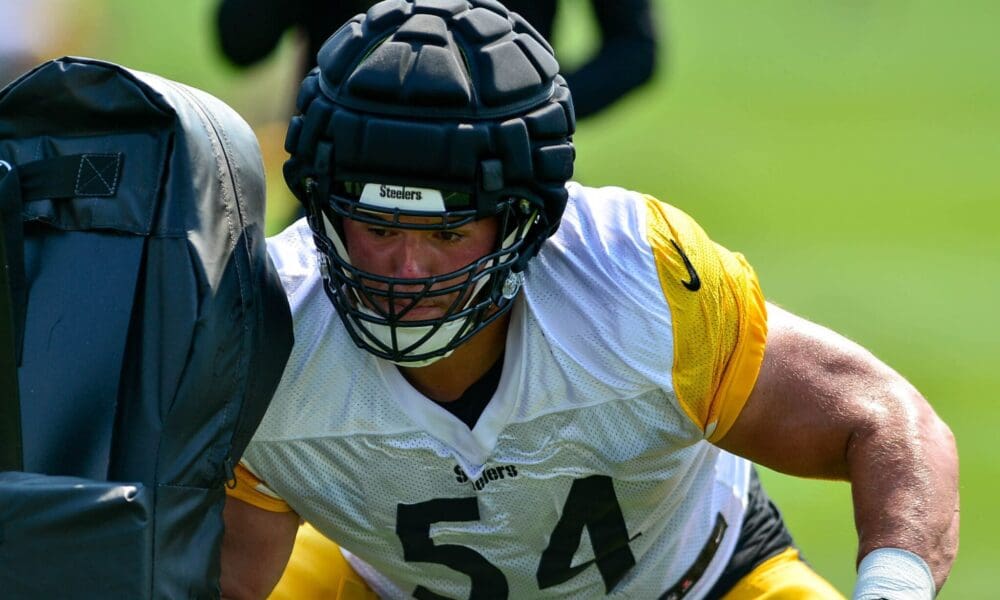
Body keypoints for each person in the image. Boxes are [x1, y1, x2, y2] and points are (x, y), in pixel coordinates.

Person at [220, 1, 959, 599]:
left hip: (700, 583)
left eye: (448, 231)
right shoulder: (265, 333)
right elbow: (229, 575)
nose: (408, 269)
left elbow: (883, 421)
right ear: (322, 207)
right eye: (377, 225)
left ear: (526, 220)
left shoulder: (640, 281)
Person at [215, 0, 658, 120]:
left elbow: (634, 51)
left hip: (498, 198)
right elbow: (241, 41)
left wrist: (527, 124)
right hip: (336, 194)